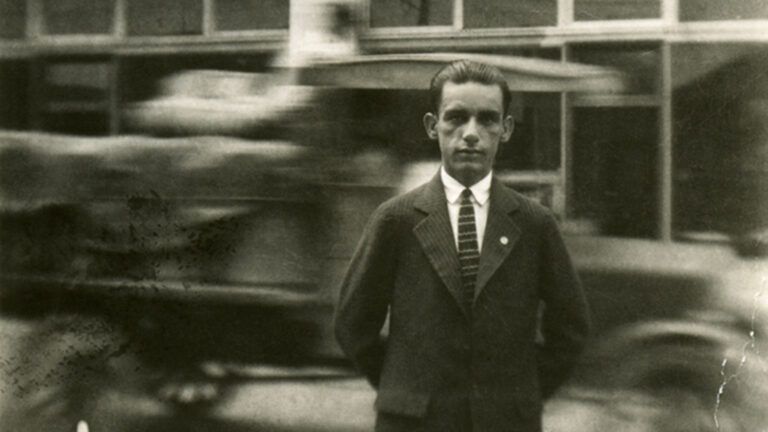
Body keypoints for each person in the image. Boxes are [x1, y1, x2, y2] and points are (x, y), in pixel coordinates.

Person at [334, 60, 591, 432]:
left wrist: (518, 397)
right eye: (455, 117)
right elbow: (352, 325)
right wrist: (404, 390)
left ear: (505, 130)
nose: (471, 133)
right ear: (431, 125)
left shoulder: (535, 224)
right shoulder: (395, 220)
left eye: (487, 119)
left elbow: (571, 329)